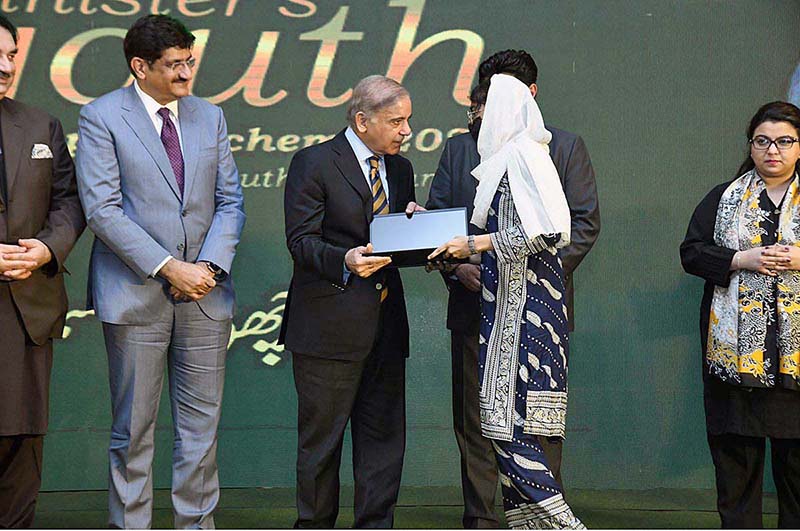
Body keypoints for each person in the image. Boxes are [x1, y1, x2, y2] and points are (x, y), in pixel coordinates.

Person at [75, 15, 245, 529]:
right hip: (136, 294)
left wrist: (207, 268)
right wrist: (171, 268)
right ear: (140, 67)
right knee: (133, 432)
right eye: (174, 65)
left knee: (201, 433)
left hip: (205, 296)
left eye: (189, 61)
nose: (186, 73)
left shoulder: (210, 116)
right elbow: (103, 211)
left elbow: (230, 202)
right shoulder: (101, 116)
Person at [426, 48, 599, 528]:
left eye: (495, 97)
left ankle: (544, 522)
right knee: (482, 425)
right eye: (480, 98)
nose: (482, 109)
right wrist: (458, 266)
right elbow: (444, 221)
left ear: (526, 96)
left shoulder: (551, 150)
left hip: (538, 315)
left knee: (536, 427)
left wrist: (511, 269)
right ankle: (482, 523)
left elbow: (569, 228)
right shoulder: (465, 149)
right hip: (476, 311)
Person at [279, 74, 423, 528]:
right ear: (362, 121)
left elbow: (394, 248)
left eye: (408, 121)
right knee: (321, 447)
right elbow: (301, 241)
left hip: (386, 327)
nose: (406, 131)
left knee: (383, 445)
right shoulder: (314, 162)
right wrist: (344, 259)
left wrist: (420, 230)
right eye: (396, 122)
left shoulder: (400, 170)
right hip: (328, 329)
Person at [680, 101, 800, 528]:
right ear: (750, 146)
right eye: (762, 141)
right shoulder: (724, 197)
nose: (773, 150)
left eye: (784, 141)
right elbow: (691, 253)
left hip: (795, 374)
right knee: (737, 482)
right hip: (735, 373)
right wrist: (739, 259)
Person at [0, 14, 85, 528]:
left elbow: (69, 201)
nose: (6, 66)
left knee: (21, 441)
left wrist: (48, 249)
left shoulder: (40, 124)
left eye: (11, 55)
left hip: (27, 312)